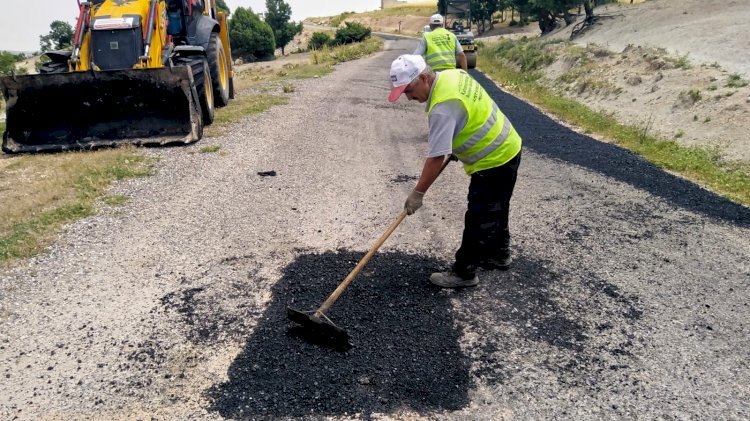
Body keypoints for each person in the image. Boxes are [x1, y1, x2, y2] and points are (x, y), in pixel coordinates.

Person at [388, 54, 522, 288]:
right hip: (508, 145)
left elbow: (435, 157)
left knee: (480, 214)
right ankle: (499, 254)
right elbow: (471, 110)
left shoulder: (442, 107)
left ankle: (464, 272)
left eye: (409, 90)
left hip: (494, 158)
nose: (409, 98)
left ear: (424, 78)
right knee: (497, 206)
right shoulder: (452, 75)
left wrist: (418, 193)